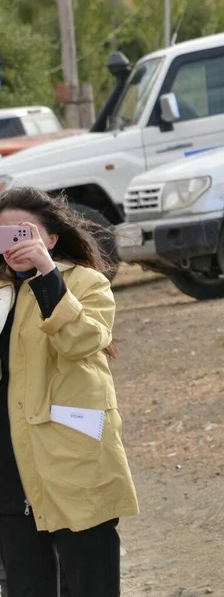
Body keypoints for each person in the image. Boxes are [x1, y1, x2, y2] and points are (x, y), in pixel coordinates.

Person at [0, 187, 138, 597]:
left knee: (89, 580)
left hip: (71, 456)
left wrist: (47, 273)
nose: (13, 244)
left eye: (22, 233)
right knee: (26, 586)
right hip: (10, 464)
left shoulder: (86, 283)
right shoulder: (1, 293)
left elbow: (80, 342)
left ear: (52, 238)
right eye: (2, 234)